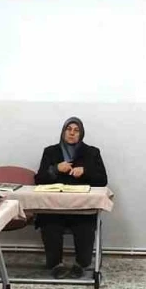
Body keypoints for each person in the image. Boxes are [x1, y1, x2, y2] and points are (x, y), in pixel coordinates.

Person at [34, 117, 108, 279]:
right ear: (63, 132)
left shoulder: (92, 152)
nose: (72, 133)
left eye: (76, 130)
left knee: (85, 226)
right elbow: (38, 180)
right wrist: (55, 169)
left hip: (81, 208)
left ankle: (81, 265)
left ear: (81, 134)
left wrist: (85, 172)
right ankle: (55, 265)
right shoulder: (50, 151)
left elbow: (103, 180)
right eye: (69, 129)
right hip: (54, 207)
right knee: (49, 224)